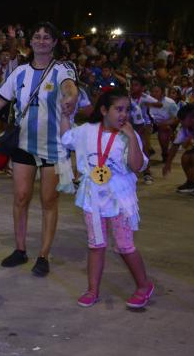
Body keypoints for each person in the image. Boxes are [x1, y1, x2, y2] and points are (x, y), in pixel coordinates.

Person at [0, 22, 78, 277]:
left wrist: (71, 97)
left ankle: (44, 255)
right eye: (37, 36)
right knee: (21, 197)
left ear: (55, 42)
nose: (41, 40)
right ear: (31, 41)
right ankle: (20, 249)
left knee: (48, 200)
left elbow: (70, 86)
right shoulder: (20, 73)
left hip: (54, 146)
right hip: (24, 143)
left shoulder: (62, 69)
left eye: (47, 37)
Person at [60, 89, 154, 309]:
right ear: (103, 110)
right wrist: (65, 116)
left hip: (119, 197)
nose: (124, 114)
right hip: (92, 196)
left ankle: (143, 285)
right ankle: (92, 289)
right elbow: (66, 139)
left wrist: (131, 137)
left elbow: (137, 166)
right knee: (96, 244)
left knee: (124, 245)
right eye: (118, 109)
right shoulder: (87, 131)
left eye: (127, 110)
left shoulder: (128, 135)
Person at [128, 77, 161, 185]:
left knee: (144, 146)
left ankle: (147, 172)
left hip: (145, 125)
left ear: (142, 88)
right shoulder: (127, 97)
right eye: (132, 84)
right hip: (129, 124)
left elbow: (159, 104)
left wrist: (148, 104)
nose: (133, 87)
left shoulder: (145, 97)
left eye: (136, 85)